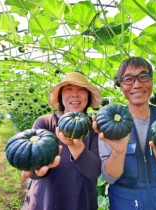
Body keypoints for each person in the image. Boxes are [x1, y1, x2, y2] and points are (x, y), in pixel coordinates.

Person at [93, 57, 156, 210]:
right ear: (121, 85)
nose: (137, 84)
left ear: (152, 81)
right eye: (128, 79)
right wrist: (118, 152)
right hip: (126, 203)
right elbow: (110, 177)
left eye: (143, 76)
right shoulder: (109, 124)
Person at [21, 71, 102, 210]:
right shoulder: (45, 123)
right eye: (68, 89)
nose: (75, 94)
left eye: (81, 89)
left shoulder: (94, 127)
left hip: (82, 203)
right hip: (46, 202)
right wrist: (37, 171)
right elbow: (30, 167)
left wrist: (77, 148)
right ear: (60, 96)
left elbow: (94, 171)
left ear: (88, 96)